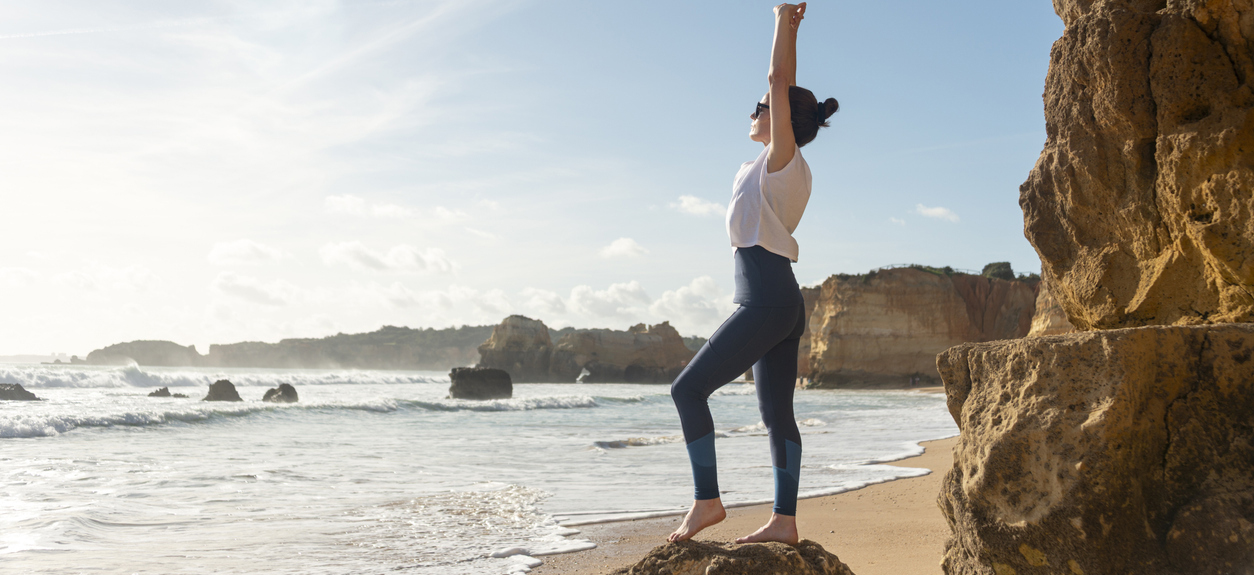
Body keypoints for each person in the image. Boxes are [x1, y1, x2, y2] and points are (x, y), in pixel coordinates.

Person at [668, 2, 838, 545]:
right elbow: (776, 87)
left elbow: (778, 78)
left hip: (765, 299)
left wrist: (782, 22)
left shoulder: (782, 160)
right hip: (780, 300)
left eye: (760, 107)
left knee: (687, 390)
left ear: (781, 116)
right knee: (776, 415)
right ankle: (784, 522)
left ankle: (707, 503)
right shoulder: (773, 166)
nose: (753, 110)